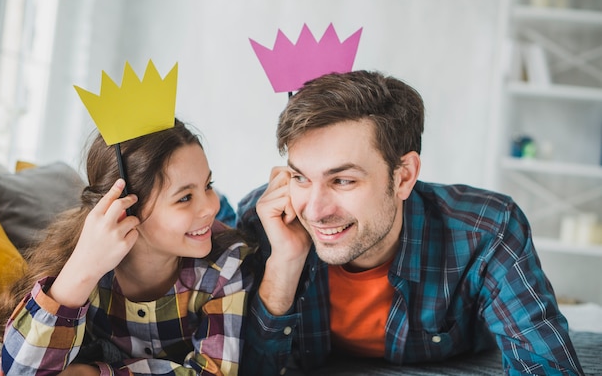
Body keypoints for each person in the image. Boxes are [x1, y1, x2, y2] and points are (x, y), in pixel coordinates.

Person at [236, 70, 584, 375]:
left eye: (343, 181)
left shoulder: (487, 229)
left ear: (404, 176)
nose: (315, 210)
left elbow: (547, 365)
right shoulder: (268, 221)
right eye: (300, 177)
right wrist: (284, 262)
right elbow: (247, 369)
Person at [0, 118, 254, 376]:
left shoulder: (226, 264)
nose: (211, 207)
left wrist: (94, 374)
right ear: (124, 210)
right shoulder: (76, 258)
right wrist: (83, 269)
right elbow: (19, 371)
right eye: (185, 197)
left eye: (208, 185)